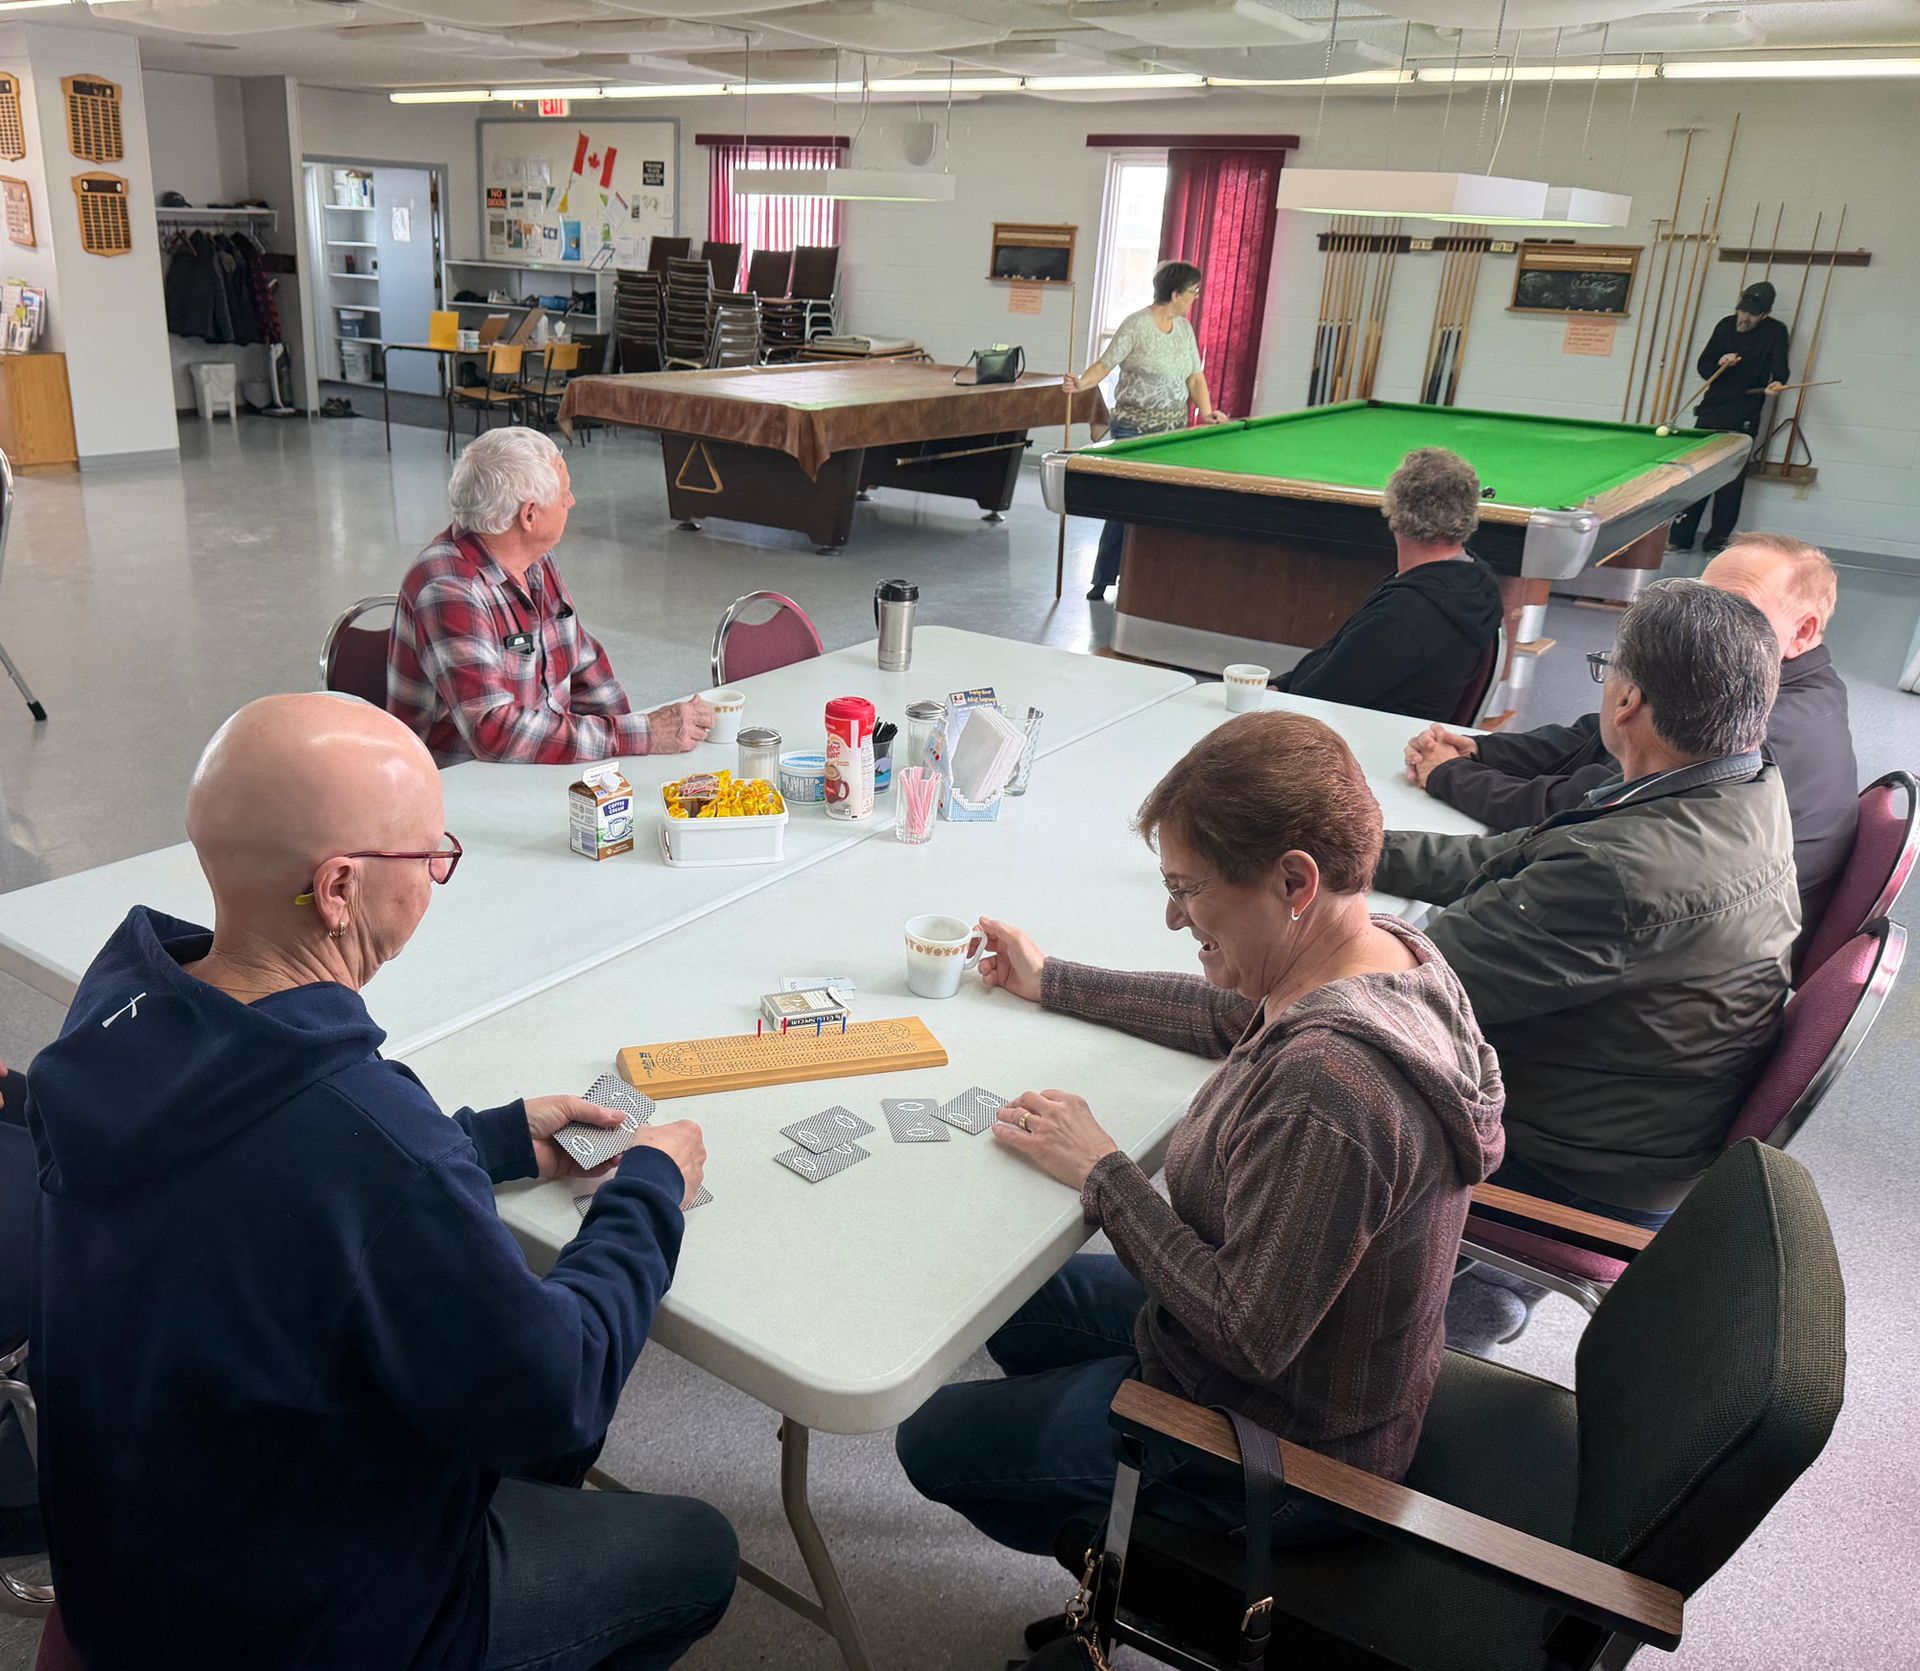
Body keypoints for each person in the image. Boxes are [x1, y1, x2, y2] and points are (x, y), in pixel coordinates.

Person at [24, 695, 736, 1669]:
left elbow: (273, 1183)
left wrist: (481, 1143)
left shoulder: (121, 1015)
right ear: (339, 889)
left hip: (131, 1582)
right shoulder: (368, 1142)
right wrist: (646, 1193)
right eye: (430, 855)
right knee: (698, 1550)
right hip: (309, 1626)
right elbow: (551, 1410)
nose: (439, 877)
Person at [895, 711, 1506, 1561]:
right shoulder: (1388, 951)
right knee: (995, 1294)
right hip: (1306, 1363)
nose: (1176, 921)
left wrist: (1105, 1172)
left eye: (1187, 890)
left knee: (932, 1439)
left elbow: (1247, 1330)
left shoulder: (1329, 1089)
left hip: (1289, 1450)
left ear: (1294, 881)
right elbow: (1233, 1011)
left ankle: (1149, 1546)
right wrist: (1055, 980)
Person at [1378, 579, 1797, 1232]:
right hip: (1635, 1109)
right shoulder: (1741, 783)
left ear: (1628, 699)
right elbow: (1515, 855)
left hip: (1568, 1163)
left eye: (1606, 671)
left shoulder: (1622, 867)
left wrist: (1278, 907)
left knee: (1303, 1076)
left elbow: (1402, 989)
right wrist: (1351, 846)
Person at [1404, 533, 1857, 948]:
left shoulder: (1755, 730)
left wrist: (1448, 774)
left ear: (1803, 631)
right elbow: (1595, 736)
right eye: (1701, 596)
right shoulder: (1783, 682)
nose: (1705, 618)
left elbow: (1573, 811)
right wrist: (1484, 749)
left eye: (1736, 606)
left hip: (1676, 939)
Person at [389, 425, 713, 765]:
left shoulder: (534, 558)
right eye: (564, 495)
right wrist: (640, 734)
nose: (571, 502)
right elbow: (494, 730)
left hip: (537, 766)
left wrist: (634, 749)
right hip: (469, 785)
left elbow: (582, 663)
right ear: (529, 516)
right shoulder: (449, 588)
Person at [1271, 447, 1503, 722]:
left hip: (1364, 740)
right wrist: (1281, 685)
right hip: (1394, 730)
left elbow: (1315, 699)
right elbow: (1335, 659)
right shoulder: (1473, 577)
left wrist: (1271, 697)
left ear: (1395, 512)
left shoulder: (1407, 614)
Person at [1066, 260, 1229, 601]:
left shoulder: (1184, 329)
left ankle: (1149, 578)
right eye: (1192, 293)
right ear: (1174, 293)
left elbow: (1194, 376)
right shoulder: (1136, 326)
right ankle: (1104, 578)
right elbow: (1105, 364)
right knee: (1125, 506)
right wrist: (1080, 384)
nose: (1195, 298)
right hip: (1133, 430)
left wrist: (1208, 411)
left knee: (1165, 505)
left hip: (1172, 431)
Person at [1670, 281, 1790, 554]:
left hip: (1746, 410)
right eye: (1742, 311)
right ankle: (1680, 539)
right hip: (1712, 408)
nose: (1744, 318)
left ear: (1765, 315)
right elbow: (1704, 365)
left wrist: (1777, 383)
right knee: (1697, 474)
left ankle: (1716, 542)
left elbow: (1781, 367)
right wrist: (1720, 363)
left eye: (1752, 314)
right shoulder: (1725, 325)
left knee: (1731, 482)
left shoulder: (1776, 332)